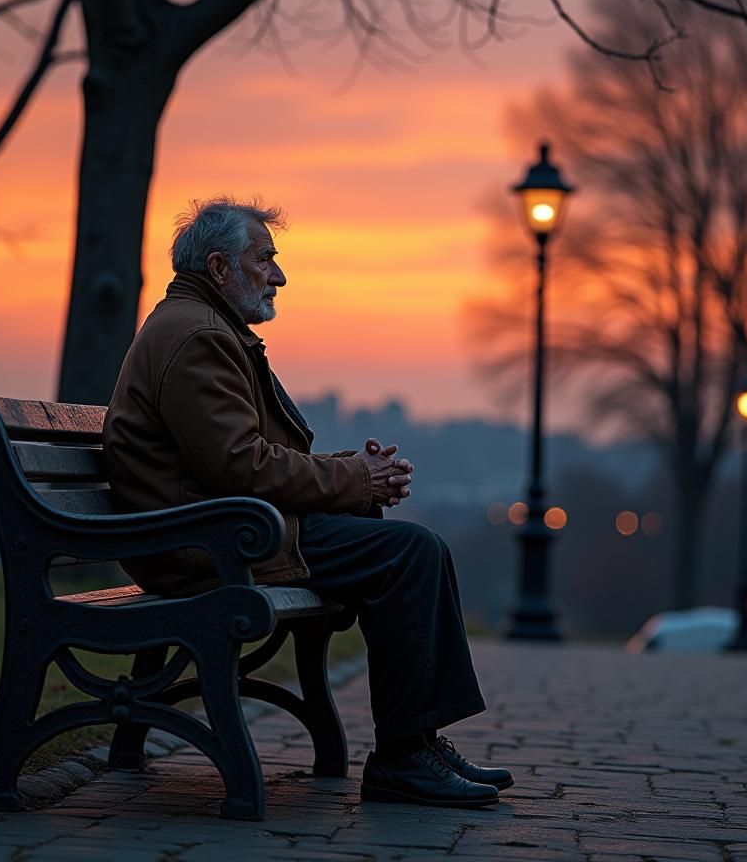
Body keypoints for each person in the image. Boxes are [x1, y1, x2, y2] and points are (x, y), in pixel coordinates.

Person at [103, 197, 512, 809]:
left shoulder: (201, 326)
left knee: (409, 550)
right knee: (411, 553)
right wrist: (357, 481)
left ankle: (417, 745)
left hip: (228, 529)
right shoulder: (197, 337)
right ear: (219, 268)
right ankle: (405, 757)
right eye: (263, 259)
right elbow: (242, 468)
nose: (278, 275)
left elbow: (245, 458)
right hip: (211, 544)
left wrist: (355, 471)